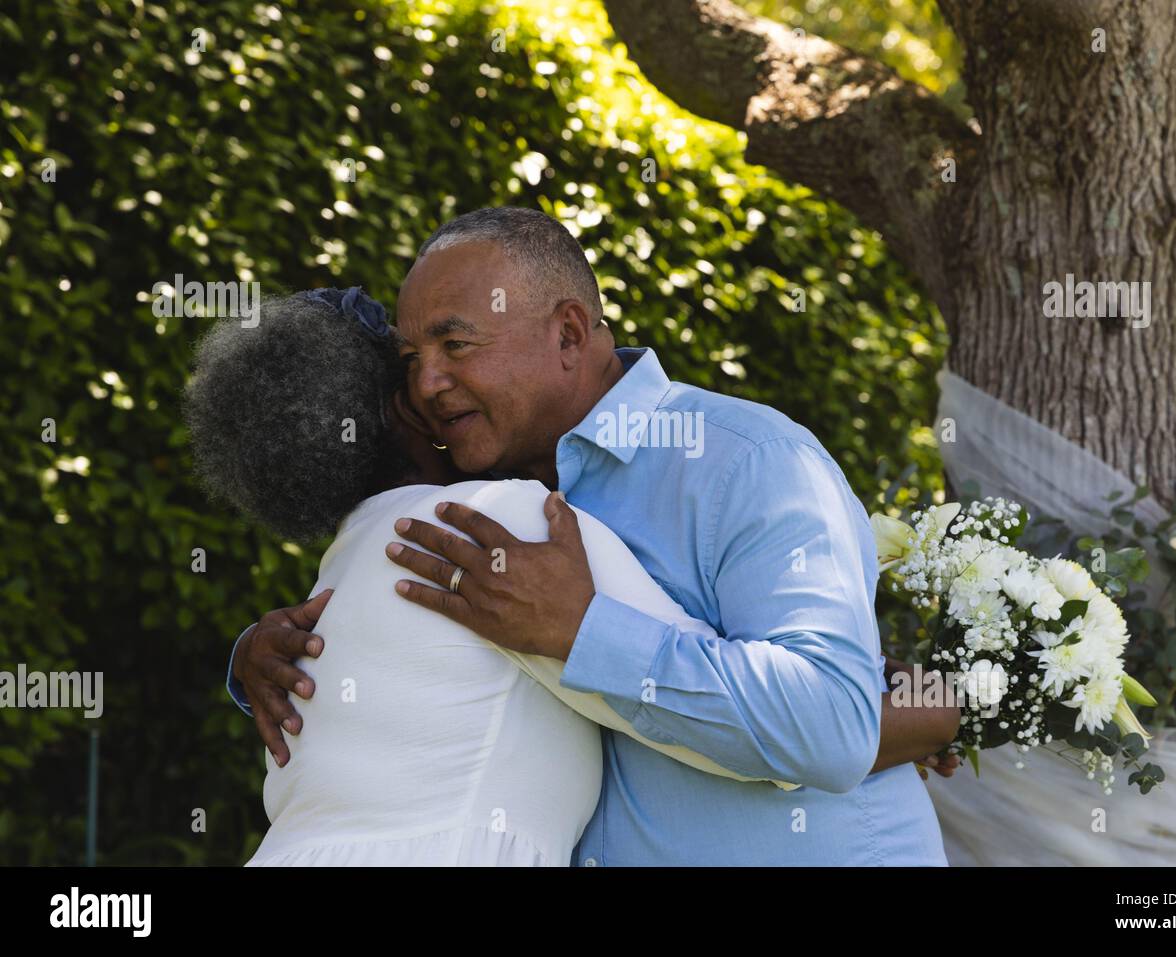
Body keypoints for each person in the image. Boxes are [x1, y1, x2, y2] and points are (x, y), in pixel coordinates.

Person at [228, 207, 958, 865]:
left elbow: (831, 721)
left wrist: (582, 633)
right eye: (413, 362)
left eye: (456, 344)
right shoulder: (471, 509)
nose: (427, 384)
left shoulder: (749, 460)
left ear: (569, 333)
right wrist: (255, 657)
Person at [187, 288, 796, 866]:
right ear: (404, 407)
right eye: (412, 366)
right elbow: (764, 726)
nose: (437, 385)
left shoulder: (328, 589)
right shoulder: (496, 526)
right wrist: (881, 711)